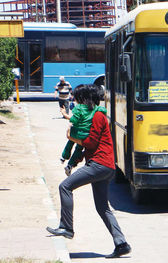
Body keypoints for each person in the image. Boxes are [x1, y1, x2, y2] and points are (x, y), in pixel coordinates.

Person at [46, 85, 131, 258]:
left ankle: (67, 227)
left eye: (77, 99)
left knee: (65, 187)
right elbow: (88, 148)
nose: (76, 103)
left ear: (86, 100)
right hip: (104, 166)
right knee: (103, 208)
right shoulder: (95, 115)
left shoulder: (98, 116)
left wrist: (71, 137)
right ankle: (121, 243)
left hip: (99, 165)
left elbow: (90, 142)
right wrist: (74, 161)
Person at [59, 84, 106, 177]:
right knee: (78, 149)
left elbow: (74, 120)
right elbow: (104, 110)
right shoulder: (97, 109)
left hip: (76, 132)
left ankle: (64, 157)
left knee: (70, 142)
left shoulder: (79, 108)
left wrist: (65, 115)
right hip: (86, 135)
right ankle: (70, 165)